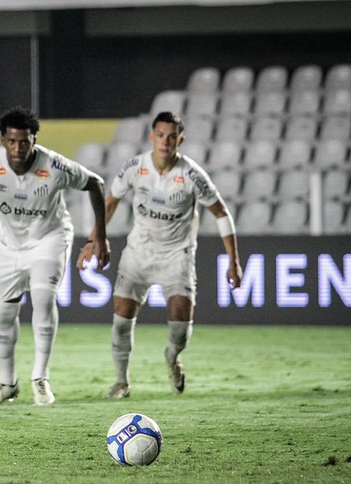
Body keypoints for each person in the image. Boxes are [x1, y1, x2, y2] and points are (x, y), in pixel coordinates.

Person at [77, 111, 242, 399]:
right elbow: (111, 201)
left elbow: (222, 213)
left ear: (181, 139)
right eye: (160, 135)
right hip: (139, 253)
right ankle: (121, 382)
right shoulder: (134, 167)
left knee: (180, 326)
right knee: (120, 321)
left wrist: (234, 261)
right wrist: (95, 239)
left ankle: (173, 356)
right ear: (151, 136)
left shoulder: (191, 175)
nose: (165, 141)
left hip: (177, 256)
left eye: (172, 136)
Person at [0, 106, 109, 407]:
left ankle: (40, 378)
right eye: (12, 141)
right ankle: (7, 383)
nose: (18, 148)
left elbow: (95, 183)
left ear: (34, 140)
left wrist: (98, 236)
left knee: (42, 299)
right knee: (3, 314)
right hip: (8, 244)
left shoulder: (55, 166)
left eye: (24, 141)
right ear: (2, 140)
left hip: (49, 239)